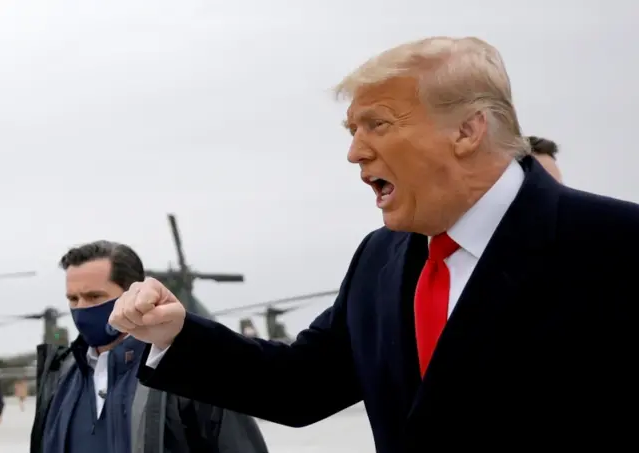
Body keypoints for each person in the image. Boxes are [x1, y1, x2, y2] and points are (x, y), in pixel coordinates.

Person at [109, 36, 639, 451]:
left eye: (377, 125)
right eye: (351, 130)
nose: (355, 153)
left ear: (467, 130)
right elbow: (300, 385)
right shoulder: (379, 256)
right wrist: (176, 334)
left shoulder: (617, 246)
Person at [31, 241, 269, 453]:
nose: (81, 309)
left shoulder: (191, 371)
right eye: (73, 299)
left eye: (94, 297)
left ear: (133, 293)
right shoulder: (59, 376)